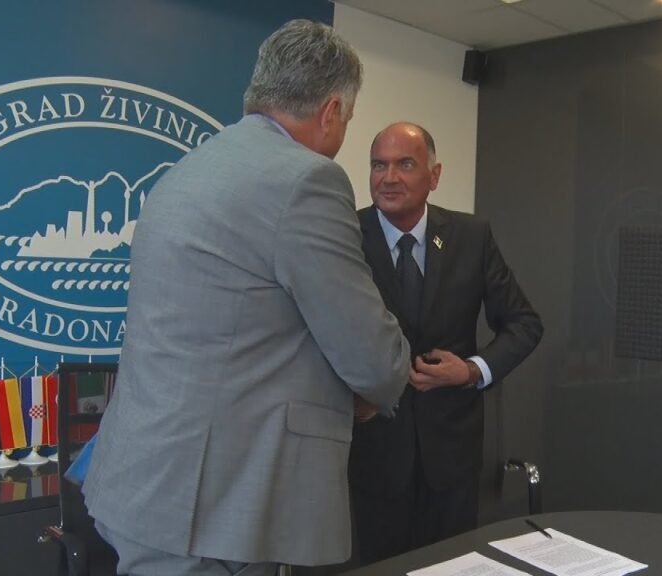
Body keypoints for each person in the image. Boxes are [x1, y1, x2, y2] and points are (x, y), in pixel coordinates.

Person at [81, 20, 411, 576]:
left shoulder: (190, 169)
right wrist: (377, 379)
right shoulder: (307, 180)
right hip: (213, 505)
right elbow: (371, 356)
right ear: (331, 111)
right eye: (348, 120)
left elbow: (235, 326)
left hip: (143, 480)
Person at [349, 122, 544, 564]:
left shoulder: (471, 237)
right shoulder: (344, 234)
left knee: (450, 567)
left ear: (434, 176)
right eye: (378, 165)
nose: (388, 177)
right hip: (375, 449)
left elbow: (524, 324)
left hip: (452, 455)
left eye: (405, 164)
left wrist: (472, 370)